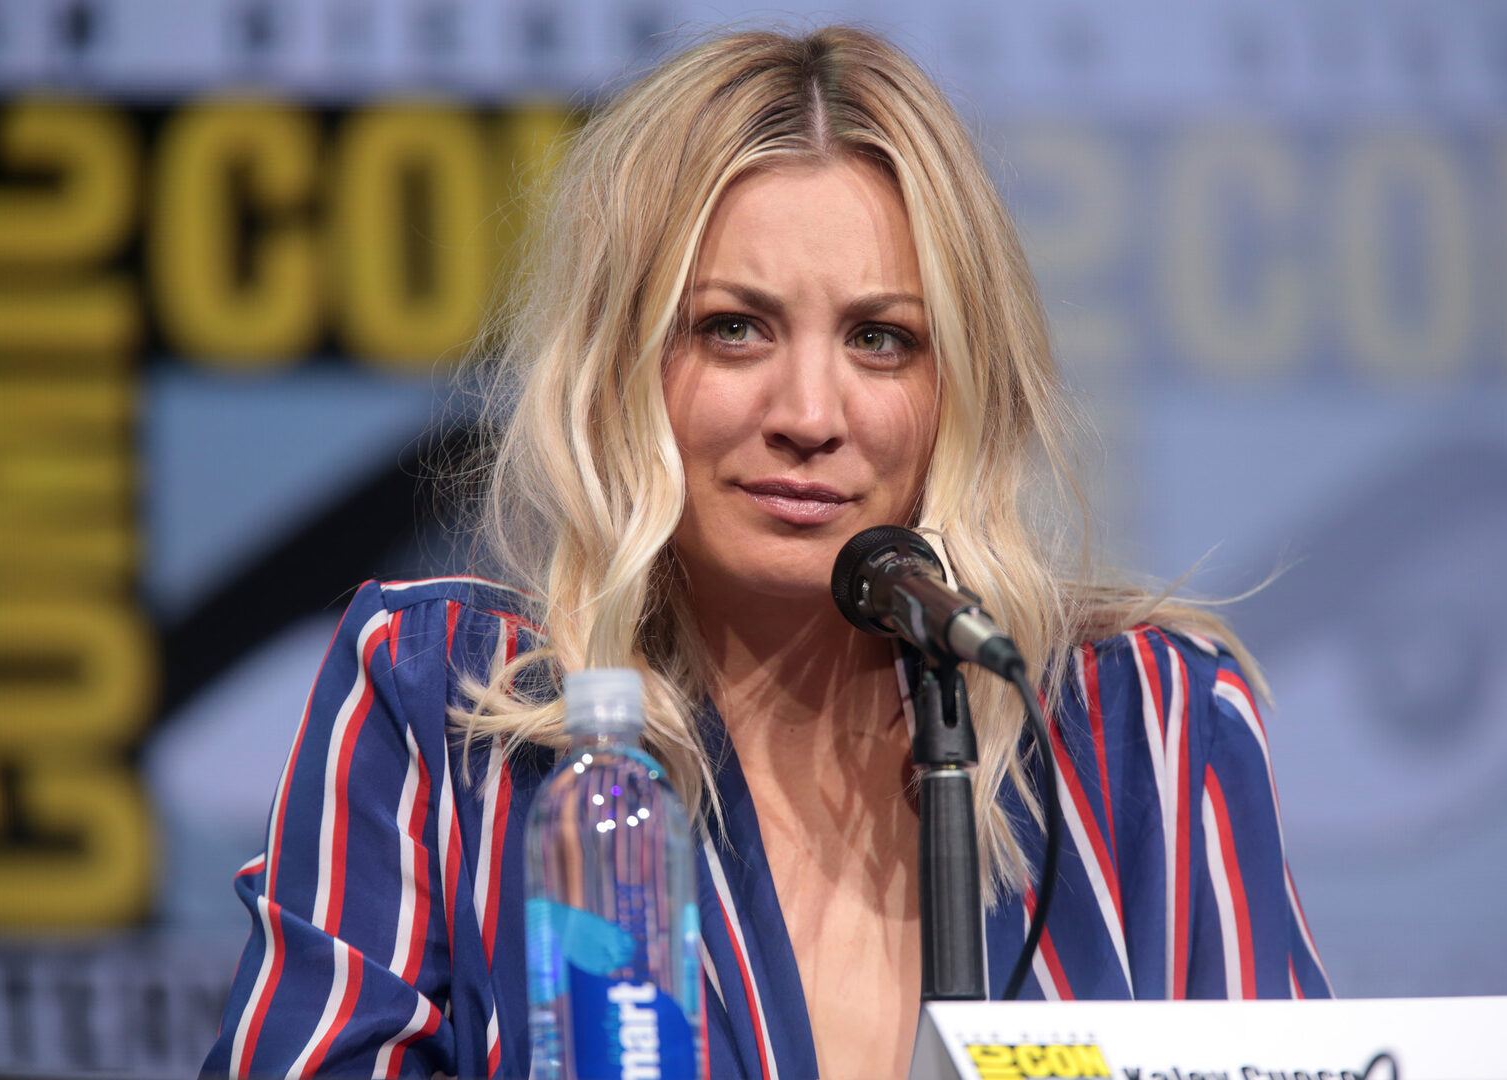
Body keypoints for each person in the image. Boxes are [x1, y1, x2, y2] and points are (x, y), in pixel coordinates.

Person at [203, 25, 1331, 1080]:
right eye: (734, 328)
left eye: (880, 339)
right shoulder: (442, 702)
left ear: (963, 384)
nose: (808, 414)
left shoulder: (1149, 726)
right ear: (618, 364)